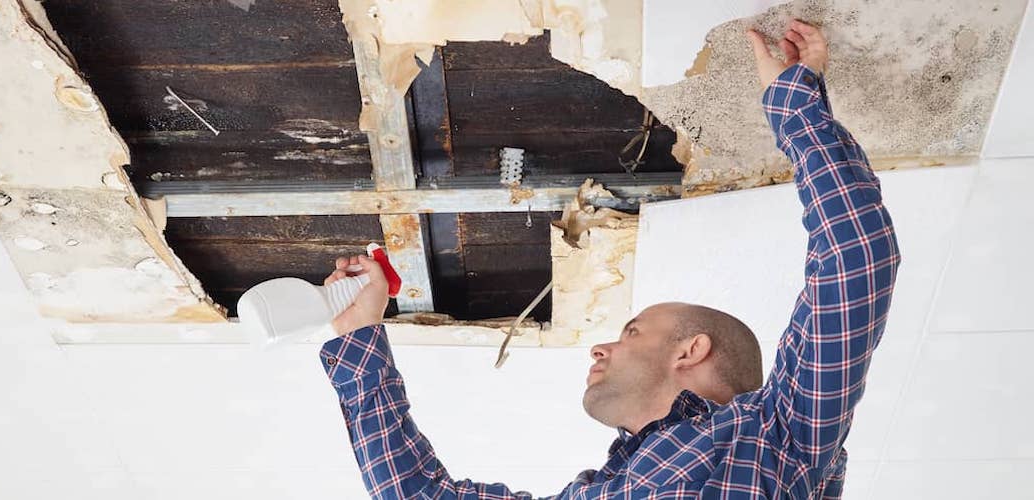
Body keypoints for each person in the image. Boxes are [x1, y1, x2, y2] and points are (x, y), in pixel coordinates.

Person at [318, 20, 900, 499]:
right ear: (689, 349)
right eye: (632, 331)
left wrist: (356, 336)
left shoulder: (786, 441)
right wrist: (797, 110)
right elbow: (855, 259)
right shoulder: (760, 438)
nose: (601, 347)